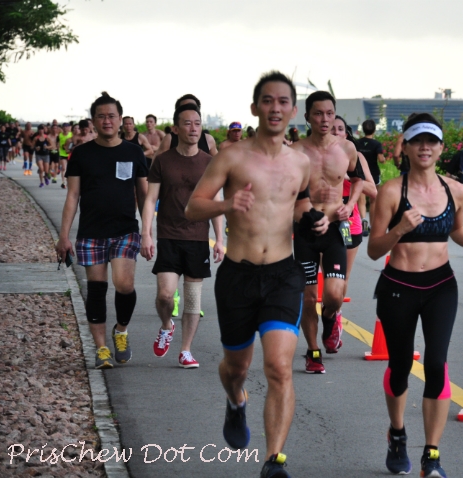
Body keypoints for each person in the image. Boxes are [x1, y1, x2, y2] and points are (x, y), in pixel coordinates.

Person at [185, 71, 327, 478]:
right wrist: (226, 205)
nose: (275, 108)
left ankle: (274, 460)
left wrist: (314, 219)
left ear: (293, 110)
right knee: (237, 369)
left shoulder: (301, 162)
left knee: (280, 367)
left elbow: (299, 204)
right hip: (238, 276)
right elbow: (193, 207)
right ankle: (236, 401)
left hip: (283, 275)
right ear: (255, 108)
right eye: (267, 100)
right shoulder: (232, 157)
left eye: (283, 101)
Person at [367, 112, 463, 478]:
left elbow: (457, 229)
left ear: (441, 148)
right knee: (400, 365)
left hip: (441, 286)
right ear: (405, 147)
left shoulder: (456, 190)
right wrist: (399, 230)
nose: (425, 147)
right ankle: (397, 434)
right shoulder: (392, 192)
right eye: (418, 141)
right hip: (398, 287)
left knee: (437, 363)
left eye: (432, 141)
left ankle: (432, 455)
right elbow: (373, 249)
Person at [55, 92, 149, 369]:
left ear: (121, 119)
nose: (107, 121)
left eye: (111, 116)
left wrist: (147, 231)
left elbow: (144, 194)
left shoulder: (133, 152)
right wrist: (63, 236)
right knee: (96, 290)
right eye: (101, 116)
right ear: (93, 121)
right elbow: (73, 195)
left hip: (125, 230)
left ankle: (121, 330)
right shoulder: (81, 154)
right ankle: (101, 348)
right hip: (91, 232)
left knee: (124, 285)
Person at [141, 104, 224, 368]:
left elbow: (215, 202)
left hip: (198, 238)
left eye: (197, 123)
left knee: (192, 300)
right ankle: (167, 325)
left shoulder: (209, 163)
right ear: (176, 129)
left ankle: (186, 350)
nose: (193, 128)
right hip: (168, 236)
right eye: (187, 123)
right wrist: (146, 234)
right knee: (165, 296)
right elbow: (150, 199)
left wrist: (220, 239)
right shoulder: (163, 161)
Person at [291, 90, 365, 373]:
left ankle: (331, 317)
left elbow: (358, 179)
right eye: (318, 113)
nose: (325, 119)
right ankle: (313, 352)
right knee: (309, 297)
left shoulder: (346, 148)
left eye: (330, 113)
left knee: (334, 294)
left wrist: (350, 204)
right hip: (306, 231)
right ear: (307, 117)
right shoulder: (295, 152)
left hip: (335, 228)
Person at [331, 116, 377, 299]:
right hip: (323, 220)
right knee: (327, 276)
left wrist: (349, 175)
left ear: (346, 133)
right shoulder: (313, 155)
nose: (335, 133)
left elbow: (373, 190)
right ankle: (328, 311)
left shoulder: (357, 157)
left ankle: (335, 312)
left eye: (340, 129)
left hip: (348, 223)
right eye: (331, 128)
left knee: (342, 276)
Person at [355, 119, 385, 233]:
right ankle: (372, 225)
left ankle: (364, 222)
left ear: (363, 129)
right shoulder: (376, 144)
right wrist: (383, 159)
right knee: (373, 201)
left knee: (361, 201)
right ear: (374, 130)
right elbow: (381, 159)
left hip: (360, 173)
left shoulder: (357, 143)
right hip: (374, 175)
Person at [58, 123, 73, 188]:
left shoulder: (71, 134)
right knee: (64, 168)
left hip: (70, 153)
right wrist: (59, 148)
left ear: (69, 127)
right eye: (64, 127)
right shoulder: (60, 135)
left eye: (66, 127)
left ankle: (68, 181)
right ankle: (63, 182)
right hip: (62, 153)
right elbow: (58, 143)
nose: (65, 128)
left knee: (69, 168)